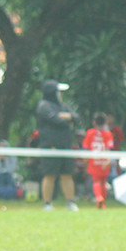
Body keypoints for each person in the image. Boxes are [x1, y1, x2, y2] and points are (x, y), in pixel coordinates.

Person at [36, 79, 79, 211]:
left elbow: (76, 118)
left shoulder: (63, 106)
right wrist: (67, 119)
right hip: (50, 146)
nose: (60, 94)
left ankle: (70, 202)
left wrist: (66, 117)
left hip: (65, 145)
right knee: (50, 174)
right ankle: (47, 203)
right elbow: (56, 121)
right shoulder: (44, 105)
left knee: (67, 174)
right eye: (58, 91)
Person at [82, 113, 114, 209]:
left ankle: (99, 197)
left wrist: (85, 159)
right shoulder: (108, 134)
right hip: (104, 161)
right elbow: (109, 148)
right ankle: (103, 202)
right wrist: (108, 160)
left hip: (93, 160)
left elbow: (86, 147)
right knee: (103, 181)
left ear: (94, 123)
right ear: (105, 122)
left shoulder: (90, 133)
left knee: (96, 181)